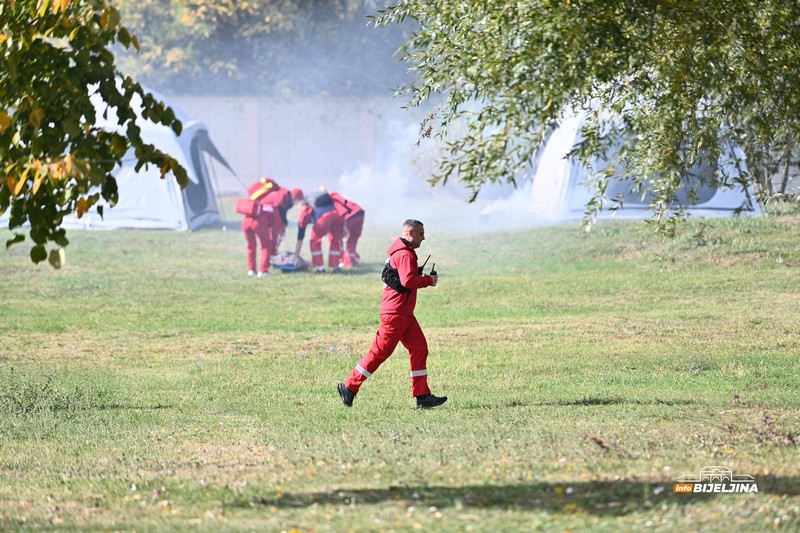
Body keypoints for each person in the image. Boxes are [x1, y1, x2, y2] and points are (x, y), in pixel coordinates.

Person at [338, 219, 447, 409]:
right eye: (421, 234)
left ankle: (422, 396)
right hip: (396, 314)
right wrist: (428, 280)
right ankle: (349, 386)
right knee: (380, 353)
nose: (424, 238)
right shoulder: (405, 254)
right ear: (410, 233)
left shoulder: (400, 253)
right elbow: (407, 281)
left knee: (420, 348)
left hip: (403, 314)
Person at [295, 188, 344, 273]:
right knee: (335, 240)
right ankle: (336, 267)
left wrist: (296, 255)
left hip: (323, 217)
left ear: (301, 205)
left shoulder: (305, 211)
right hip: (338, 215)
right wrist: (344, 227)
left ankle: (320, 268)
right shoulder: (321, 202)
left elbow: (300, 237)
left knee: (314, 241)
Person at [242, 177, 282, 277]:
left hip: (246, 219)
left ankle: (251, 270)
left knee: (251, 246)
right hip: (258, 221)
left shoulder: (254, 194)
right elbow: (275, 222)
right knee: (265, 246)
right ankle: (263, 271)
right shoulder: (270, 201)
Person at [328, 191, 365, 268]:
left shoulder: (332, 199)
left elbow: (342, 212)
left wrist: (343, 227)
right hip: (359, 213)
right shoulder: (337, 197)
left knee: (338, 237)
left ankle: (341, 260)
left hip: (350, 216)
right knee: (352, 239)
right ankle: (351, 260)